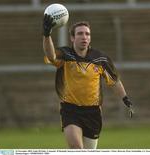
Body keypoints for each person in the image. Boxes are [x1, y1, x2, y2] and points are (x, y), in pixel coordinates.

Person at [42, 14, 134, 149]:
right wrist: (46, 34)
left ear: (90, 38)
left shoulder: (101, 59)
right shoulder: (65, 55)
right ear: (72, 38)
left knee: (89, 151)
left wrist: (126, 99)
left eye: (87, 34)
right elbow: (51, 55)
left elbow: (115, 81)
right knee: (76, 148)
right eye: (80, 34)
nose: (84, 37)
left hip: (93, 112)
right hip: (70, 110)